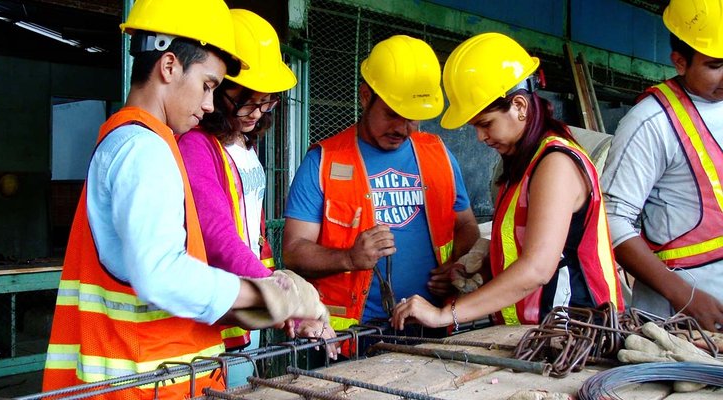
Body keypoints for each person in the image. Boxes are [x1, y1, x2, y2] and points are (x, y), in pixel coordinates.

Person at [42, 1, 327, 398]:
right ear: (170, 66)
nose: (210, 104)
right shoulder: (144, 148)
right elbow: (160, 272)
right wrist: (268, 295)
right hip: (144, 385)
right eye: (209, 84)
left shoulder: (137, 141)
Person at [391, 32, 624, 331]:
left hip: (578, 333)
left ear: (519, 106)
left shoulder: (555, 164)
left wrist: (446, 313)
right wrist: (484, 263)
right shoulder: (520, 165)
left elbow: (537, 268)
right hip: (540, 334)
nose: (479, 137)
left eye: (485, 124)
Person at [282, 35, 480, 348]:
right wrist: (348, 258)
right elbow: (293, 249)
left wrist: (454, 266)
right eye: (391, 113)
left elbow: (466, 225)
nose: (402, 128)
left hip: (432, 324)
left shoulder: (438, 154)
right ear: (365, 97)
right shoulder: (323, 160)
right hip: (352, 336)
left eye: (411, 117)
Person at [177, 9, 336, 386]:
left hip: (248, 307)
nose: (257, 112)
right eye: (247, 100)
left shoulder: (246, 146)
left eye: (268, 102)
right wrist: (284, 297)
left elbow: (253, 234)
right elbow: (217, 234)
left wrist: (280, 302)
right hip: (217, 313)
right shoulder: (197, 145)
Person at [601, 0, 723, 332]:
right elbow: (612, 221)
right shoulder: (651, 122)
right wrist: (686, 297)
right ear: (680, 62)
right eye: (716, 65)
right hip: (680, 320)